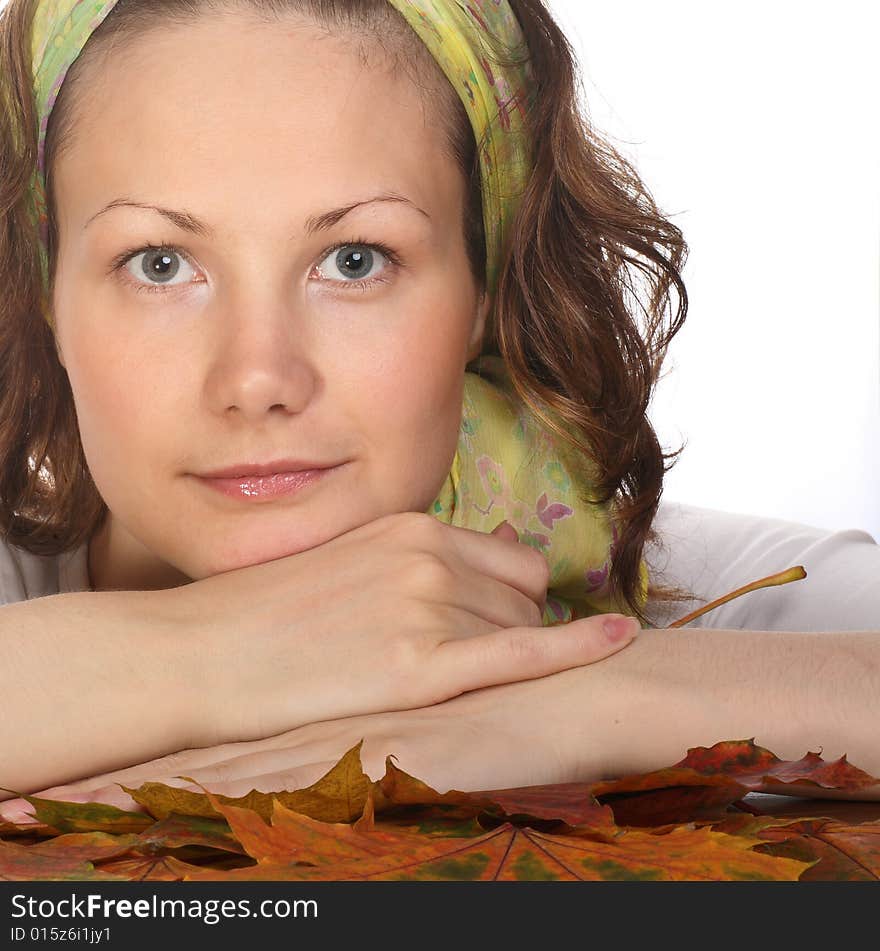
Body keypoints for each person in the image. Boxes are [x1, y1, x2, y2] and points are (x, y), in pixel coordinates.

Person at [0, 0, 876, 824]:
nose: (258, 376)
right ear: (47, 296)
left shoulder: (689, 597)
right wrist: (210, 656)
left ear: (484, 292)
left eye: (353, 260)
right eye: (158, 263)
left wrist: (581, 699)